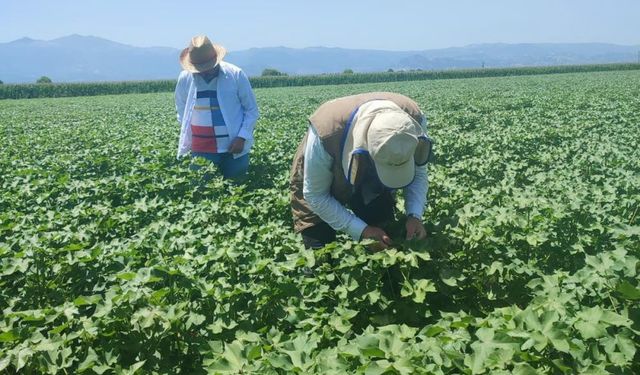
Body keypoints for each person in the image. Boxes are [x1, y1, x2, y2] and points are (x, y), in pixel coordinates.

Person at [290, 92, 433, 250]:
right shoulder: (327, 133)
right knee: (319, 250)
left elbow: (418, 173)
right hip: (320, 175)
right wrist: (362, 230)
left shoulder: (414, 121)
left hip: (370, 176)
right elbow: (316, 196)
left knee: (385, 236)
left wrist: (414, 215)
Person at [175, 35, 259, 181]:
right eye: (200, 68)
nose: (205, 71)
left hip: (234, 147)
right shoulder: (185, 79)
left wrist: (242, 137)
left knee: (237, 192)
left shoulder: (235, 75)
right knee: (201, 193)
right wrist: (191, 136)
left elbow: (251, 110)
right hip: (200, 150)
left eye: (208, 67)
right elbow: (181, 109)